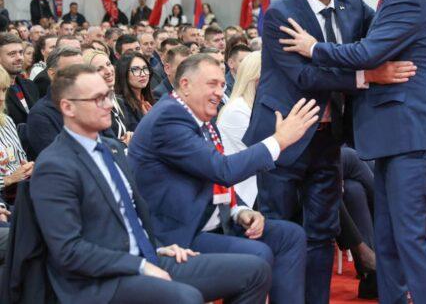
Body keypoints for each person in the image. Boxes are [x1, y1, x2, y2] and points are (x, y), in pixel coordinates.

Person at [280, 0, 426, 304]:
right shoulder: (400, 0)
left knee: (409, 238)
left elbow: (368, 52)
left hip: (414, 135)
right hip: (397, 137)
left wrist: (314, 47)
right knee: (388, 239)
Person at [243, 0, 414, 304]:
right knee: (280, 227)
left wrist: (422, 20)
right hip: (283, 137)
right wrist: (367, 76)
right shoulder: (281, 13)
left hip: (328, 138)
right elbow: (305, 76)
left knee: (322, 231)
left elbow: (384, 33)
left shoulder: (352, 3)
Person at [31, 64, 272, 304]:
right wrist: (139, 264)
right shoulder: (55, 165)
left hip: (149, 254)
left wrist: (157, 247)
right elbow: (69, 251)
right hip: (99, 280)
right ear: (68, 107)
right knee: (186, 297)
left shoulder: (112, 149)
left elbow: (130, 218)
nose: (108, 105)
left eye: (108, 96)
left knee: (255, 270)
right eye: (97, 99)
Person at [129, 54, 321, 304]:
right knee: (258, 255)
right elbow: (222, 170)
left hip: (214, 220)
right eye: (212, 84)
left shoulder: (199, 118)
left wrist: (239, 210)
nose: (220, 92)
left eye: (222, 84)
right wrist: (279, 140)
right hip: (180, 235)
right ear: (185, 85)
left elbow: (213, 175)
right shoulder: (169, 118)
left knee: (290, 236)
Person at [217, 51, 261, 206]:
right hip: (245, 195)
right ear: (255, 78)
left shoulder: (253, 106)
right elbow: (264, 152)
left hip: (258, 187)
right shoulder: (237, 109)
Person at [26, 46, 84, 158]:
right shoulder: (40, 115)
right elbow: (58, 158)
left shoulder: (90, 102)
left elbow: (109, 141)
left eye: (83, 69)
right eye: (73, 70)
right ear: (52, 74)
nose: (81, 74)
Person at [84, 49, 133, 145]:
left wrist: (131, 135)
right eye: (99, 69)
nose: (108, 71)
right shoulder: (91, 109)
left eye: (108, 64)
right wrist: (123, 144)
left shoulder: (119, 101)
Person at [0, 66, 33, 202]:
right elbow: (11, 177)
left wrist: (28, 168)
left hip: (19, 193)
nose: (2, 98)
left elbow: (21, 159)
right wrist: (8, 179)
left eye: (4, 90)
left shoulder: (6, 121)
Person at [0, 33, 39, 125]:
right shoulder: (1, 91)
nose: (19, 58)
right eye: (12, 54)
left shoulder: (30, 85)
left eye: (21, 53)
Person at [115, 52, 155, 131]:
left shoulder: (147, 100)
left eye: (145, 68)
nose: (143, 74)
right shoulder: (121, 104)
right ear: (124, 73)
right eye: (136, 70)